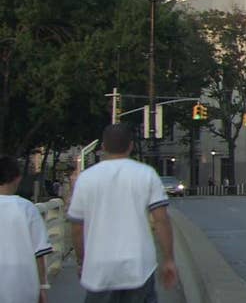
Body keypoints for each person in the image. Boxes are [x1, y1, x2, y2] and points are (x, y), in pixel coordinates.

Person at [67, 124, 178, 301]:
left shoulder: (86, 179)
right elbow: (161, 220)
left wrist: (82, 261)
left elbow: (77, 227)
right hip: (138, 266)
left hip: (98, 269)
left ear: (103, 147)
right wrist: (168, 259)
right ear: (131, 146)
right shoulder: (146, 174)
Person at [0, 155, 52, 303]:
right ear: (17, 178)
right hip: (22, 285)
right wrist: (43, 286)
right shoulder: (26, 208)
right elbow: (40, 252)